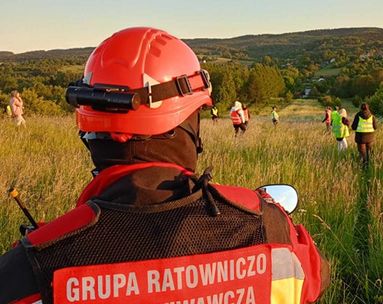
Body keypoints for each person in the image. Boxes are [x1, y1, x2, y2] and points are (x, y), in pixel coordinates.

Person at [0, 27, 329, 304]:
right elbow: (316, 275)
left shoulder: (36, 262)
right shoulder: (267, 225)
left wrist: (55, 237)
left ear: (89, 124)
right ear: (187, 123)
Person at [352, 103, 377, 167]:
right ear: (368, 108)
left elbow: (353, 127)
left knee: (363, 153)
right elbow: (375, 127)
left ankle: (364, 166)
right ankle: (370, 164)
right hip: (370, 137)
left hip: (361, 137)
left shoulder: (358, 115)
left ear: (361, 108)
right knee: (369, 152)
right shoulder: (372, 116)